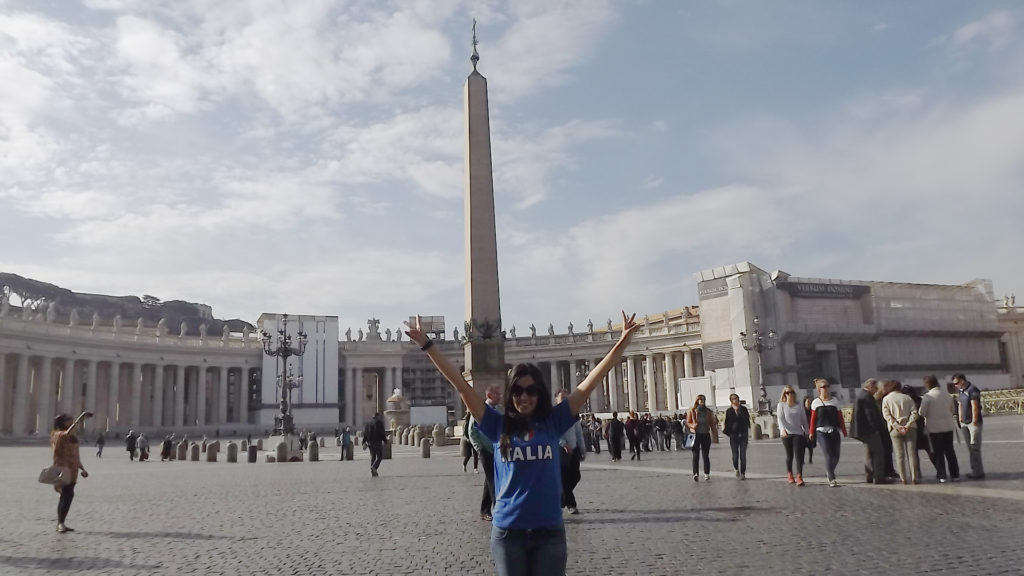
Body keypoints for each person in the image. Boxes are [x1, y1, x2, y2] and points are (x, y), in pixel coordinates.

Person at [405, 312, 639, 576]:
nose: (523, 397)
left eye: (530, 390)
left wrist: (622, 343)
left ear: (539, 393)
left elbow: (589, 384)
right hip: (508, 533)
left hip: (549, 531)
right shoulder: (496, 424)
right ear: (510, 394)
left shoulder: (553, 421)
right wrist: (427, 345)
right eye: (517, 391)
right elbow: (461, 386)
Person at [51, 411, 93, 533]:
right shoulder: (58, 435)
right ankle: (60, 523)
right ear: (61, 423)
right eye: (68, 419)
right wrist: (80, 419)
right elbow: (67, 433)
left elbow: (75, 455)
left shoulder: (72, 438)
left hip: (72, 470)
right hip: (62, 469)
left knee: (68, 495)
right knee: (66, 495)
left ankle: (61, 522)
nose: (70, 420)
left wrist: (82, 468)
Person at [469, 384, 503, 521]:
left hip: (498, 450)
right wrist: (479, 449)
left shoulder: (500, 410)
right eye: (497, 394)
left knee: (489, 481)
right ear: (489, 395)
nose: (500, 396)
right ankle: (499, 510)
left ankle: (484, 510)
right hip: (486, 450)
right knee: (494, 481)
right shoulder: (479, 410)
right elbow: (471, 431)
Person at [849, 378, 892, 485]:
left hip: (861, 430)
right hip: (869, 430)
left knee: (869, 453)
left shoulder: (861, 395)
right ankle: (878, 477)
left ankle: (869, 476)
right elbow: (870, 416)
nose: (876, 390)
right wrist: (877, 429)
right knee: (879, 452)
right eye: (876, 388)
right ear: (871, 387)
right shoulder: (867, 397)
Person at [919, 375, 960, 482]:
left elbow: (921, 412)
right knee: (950, 451)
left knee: (938, 452)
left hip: (934, 428)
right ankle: (955, 474)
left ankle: (942, 475)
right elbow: (952, 409)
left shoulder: (927, 397)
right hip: (948, 426)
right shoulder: (947, 394)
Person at [808, 379, 847, 487]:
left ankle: (829, 470)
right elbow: (813, 419)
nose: (826, 388)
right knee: (829, 455)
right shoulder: (816, 402)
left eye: (827, 386)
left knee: (836, 456)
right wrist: (811, 432)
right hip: (821, 432)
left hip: (834, 431)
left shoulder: (835, 401)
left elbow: (840, 418)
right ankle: (831, 476)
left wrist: (844, 431)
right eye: (823, 387)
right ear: (819, 389)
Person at [881, 380, 920, 485]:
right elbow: (915, 413)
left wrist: (897, 426)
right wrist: (907, 425)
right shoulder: (907, 398)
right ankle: (914, 477)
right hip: (910, 428)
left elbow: (887, 416)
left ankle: (903, 478)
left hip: (895, 430)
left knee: (899, 455)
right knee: (912, 454)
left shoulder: (886, 399)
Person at [556, 390, 586, 515]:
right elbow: (553, 432)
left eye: (566, 398)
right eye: (562, 398)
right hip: (561, 450)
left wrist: (582, 449)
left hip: (573, 449)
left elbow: (578, 432)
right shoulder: (555, 414)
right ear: (556, 399)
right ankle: (571, 504)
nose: (564, 400)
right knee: (564, 478)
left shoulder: (573, 413)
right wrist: (563, 444)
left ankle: (561, 500)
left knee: (575, 476)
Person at [953, 373, 985, 479]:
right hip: (964, 423)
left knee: (974, 447)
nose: (955, 385)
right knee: (970, 448)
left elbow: (975, 406)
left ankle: (978, 472)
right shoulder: (961, 391)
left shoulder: (972, 389)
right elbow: (960, 405)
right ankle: (975, 469)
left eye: (956, 383)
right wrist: (960, 419)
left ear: (962, 380)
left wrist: (975, 420)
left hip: (973, 422)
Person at [776, 386, 808, 486]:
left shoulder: (799, 406)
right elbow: (780, 419)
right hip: (786, 434)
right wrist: (783, 430)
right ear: (784, 395)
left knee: (799, 456)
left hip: (798, 432)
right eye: (787, 393)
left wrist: (807, 432)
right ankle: (789, 474)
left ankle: (799, 476)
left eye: (791, 392)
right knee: (789, 455)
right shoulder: (781, 405)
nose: (789, 394)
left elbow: (804, 419)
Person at [686, 394, 718, 482]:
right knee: (695, 455)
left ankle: (706, 473)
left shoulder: (708, 411)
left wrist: (715, 436)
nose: (701, 401)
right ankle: (695, 473)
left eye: (703, 399)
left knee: (705, 455)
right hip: (695, 435)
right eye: (699, 400)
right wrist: (693, 425)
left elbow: (712, 424)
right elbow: (688, 422)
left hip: (705, 434)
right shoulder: (692, 411)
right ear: (697, 401)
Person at [722, 394, 750, 479]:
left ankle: (743, 473)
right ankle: (736, 468)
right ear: (731, 401)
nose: (735, 400)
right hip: (733, 436)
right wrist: (730, 433)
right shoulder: (729, 411)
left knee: (743, 455)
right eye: (733, 399)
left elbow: (747, 421)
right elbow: (727, 424)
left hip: (743, 435)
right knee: (735, 455)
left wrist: (739, 412)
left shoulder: (744, 409)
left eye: (737, 399)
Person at [362, 413, 387, 477]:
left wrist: (363, 442)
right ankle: (374, 467)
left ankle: (373, 472)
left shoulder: (368, 424)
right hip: (377, 442)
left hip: (370, 443)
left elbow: (365, 433)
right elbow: (381, 432)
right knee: (380, 457)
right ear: (378, 416)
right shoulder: (379, 423)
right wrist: (385, 441)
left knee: (373, 457)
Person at [802, 396, 815, 464]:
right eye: (807, 402)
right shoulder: (802, 411)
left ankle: (810, 459)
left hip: (810, 430)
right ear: (804, 402)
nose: (808, 403)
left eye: (809, 402)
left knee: (810, 446)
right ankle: (802, 459)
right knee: (803, 446)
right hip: (803, 430)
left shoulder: (812, 411)